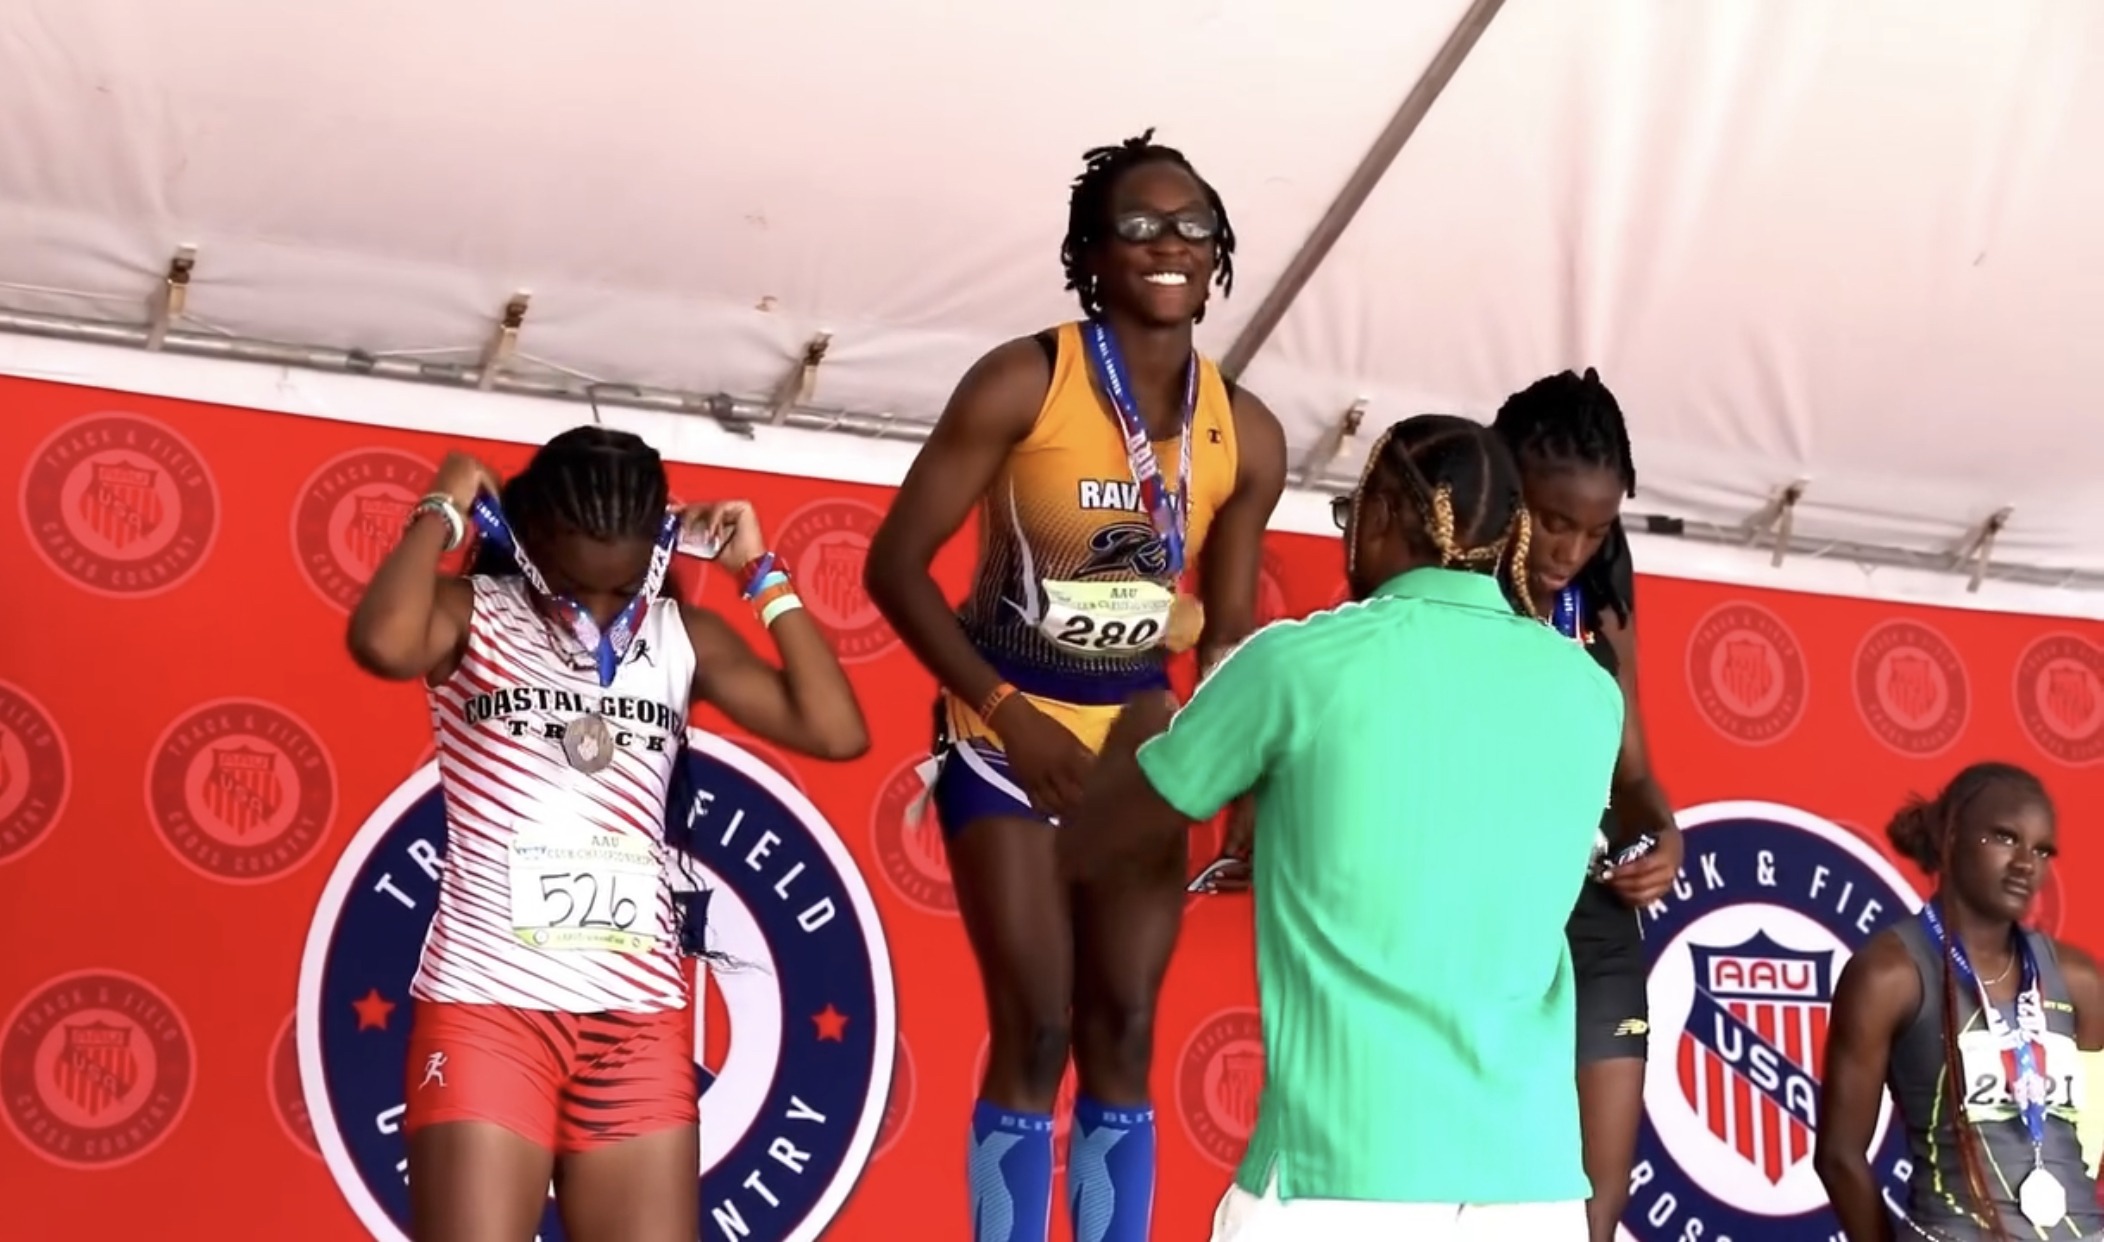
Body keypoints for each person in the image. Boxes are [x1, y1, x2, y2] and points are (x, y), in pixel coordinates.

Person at [863, 130, 1286, 1242]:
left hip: (1141, 761)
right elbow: (894, 570)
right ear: (1089, 257)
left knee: (1124, 1029)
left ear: (1220, 255)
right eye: (1137, 226)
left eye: (1192, 226)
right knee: (1035, 1029)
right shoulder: (1024, 380)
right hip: (1004, 741)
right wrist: (1004, 714)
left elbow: (1229, 635)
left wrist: (1237, 786)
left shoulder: (1246, 431)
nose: (1168, 245)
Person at [1061, 414, 1623, 1242]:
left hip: (1342, 1173)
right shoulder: (1588, 694)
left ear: (1384, 515)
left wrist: (1139, 703)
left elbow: (1102, 839)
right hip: (1530, 1185)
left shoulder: (1300, 662)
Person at [345, 426, 868, 1242]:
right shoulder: (467, 613)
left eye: (621, 588)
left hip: (637, 1023)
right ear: (529, 540)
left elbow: (836, 730)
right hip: (491, 1009)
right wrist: (444, 508)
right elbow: (378, 641)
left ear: (658, 551)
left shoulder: (675, 638)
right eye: (573, 585)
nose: (596, 610)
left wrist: (761, 575)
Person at [1489, 367, 1685, 1241]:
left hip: (1594, 917)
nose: (1571, 548)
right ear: (1502, 491)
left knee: (1592, 1206)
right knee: (1474, 1188)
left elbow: (1631, 767)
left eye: (1597, 526)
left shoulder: (1600, 581)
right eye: (1554, 520)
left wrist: (1663, 835)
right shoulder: (1443, 576)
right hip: (1480, 917)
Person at [1817, 763, 2104, 1242]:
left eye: (2041, 850)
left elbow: (2091, 1139)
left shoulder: (2079, 978)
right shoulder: (1888, 974)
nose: (2026, 865)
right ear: (1950, 837)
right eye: (2005, 838)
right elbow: (1838, 1156)